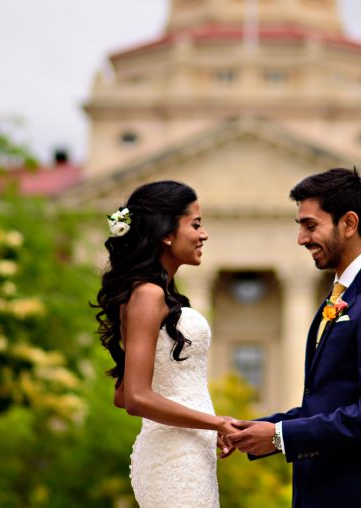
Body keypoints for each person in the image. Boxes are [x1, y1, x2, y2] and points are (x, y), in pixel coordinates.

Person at [227, 167, 361, 507]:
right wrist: (254, 429)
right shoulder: (343, 293)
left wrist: (278, 437)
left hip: (359, 497)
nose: (301, 239)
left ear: (348, 223)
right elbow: (325, 403)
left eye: (310, 225)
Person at [93, 180, 237, 508]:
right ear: (167, 232)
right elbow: (135, 398)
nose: (204, 234)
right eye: (196, 224)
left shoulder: (161, 295)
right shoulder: (148, 295)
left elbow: (121, 393)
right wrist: (216, 422)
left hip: (186, 451)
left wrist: (206, 426)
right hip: (174, 457)